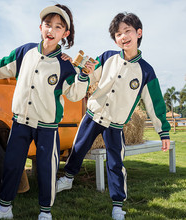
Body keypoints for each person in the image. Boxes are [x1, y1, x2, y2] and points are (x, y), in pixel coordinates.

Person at [0, 4, 94, 220]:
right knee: (12, 165)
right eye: (47, 24)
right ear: (40, 27)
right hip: (20, 123)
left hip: (47, 127)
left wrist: (84, 76)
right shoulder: (25, 51)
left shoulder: (65, 66)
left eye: (58, 27)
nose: (51, 30)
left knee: (47, 170)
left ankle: (45, 213)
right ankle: (5, 209)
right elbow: (2, 66)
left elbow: (73, 94)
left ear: (65, 34)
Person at [56, 12, 171, 220]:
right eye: (118, 34)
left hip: (116, 125)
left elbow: (155, 104)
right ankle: (68, 178)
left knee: (116, 163)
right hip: (92, 115)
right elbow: (90, 76)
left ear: (138, 33)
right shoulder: (107, 56)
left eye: (127, 31)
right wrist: (84, 72)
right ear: (115, 39)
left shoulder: (146, 72)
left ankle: (118, 205)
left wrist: (163, 131)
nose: (123, 36)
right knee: (79, 147)